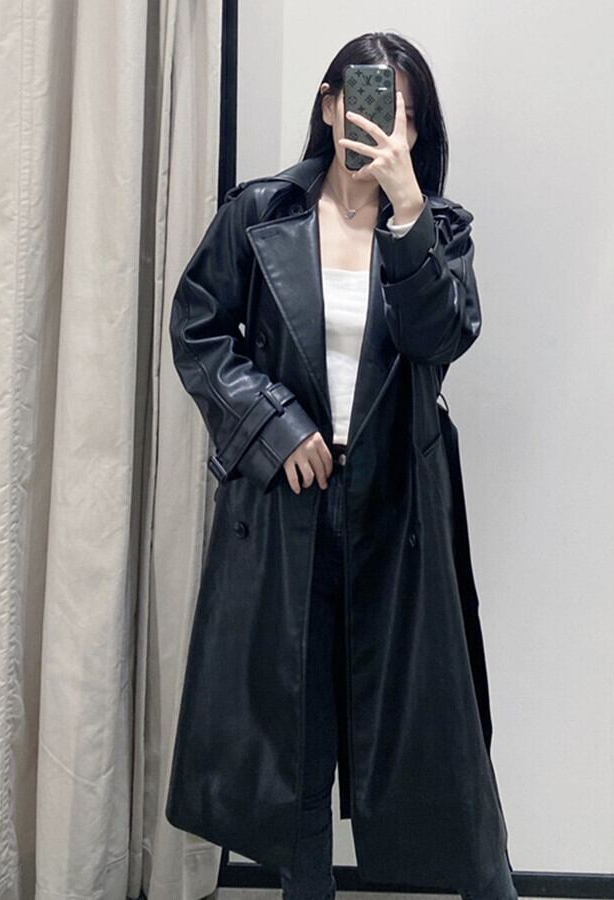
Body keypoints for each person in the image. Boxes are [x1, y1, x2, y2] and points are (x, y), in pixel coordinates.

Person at [166, 31, 518, 900]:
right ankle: (307, 887)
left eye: (404, 113)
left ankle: (487, 884)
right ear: (330, 105)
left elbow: (441, 339)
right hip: (291, 507)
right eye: (369, 102)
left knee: (437, 733)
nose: (384, 124)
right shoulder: (260, 214)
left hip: (398, 510)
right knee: (298, 723)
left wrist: (407, 214)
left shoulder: (439, 231)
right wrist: (274, 427)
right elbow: (199, 331)